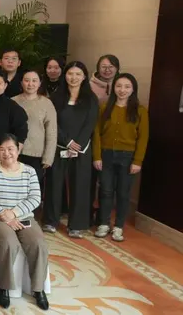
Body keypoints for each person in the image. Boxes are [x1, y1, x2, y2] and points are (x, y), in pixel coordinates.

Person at [0, 134, 49, 311]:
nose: (6, 153)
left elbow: (35, 197)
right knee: (9, 242)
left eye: (10, 149)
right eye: (2, 149)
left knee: (38, 243)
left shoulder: (29, 171)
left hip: (23, 217)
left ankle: (38, 289)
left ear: (18, 150)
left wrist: (14, 213)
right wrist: (4, 216)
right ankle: (3, 287)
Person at [43, 61, 99, 238]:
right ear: (64, 75)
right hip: (59, 146)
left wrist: (78, 144)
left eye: (78, 74)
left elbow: (90, 124)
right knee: (54, 184)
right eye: (70, 74)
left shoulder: (91, 99)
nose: (73, 78)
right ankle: (50, 220)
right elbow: (52, 122)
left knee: (80, 185)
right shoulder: (56, 97)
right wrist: (67, 142)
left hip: (82, 149)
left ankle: (77, 224)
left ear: (84, 77)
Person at [92, 73, 149, 242]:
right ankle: (103, 223)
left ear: (133, 89)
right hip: (106, 155)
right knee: (105, 190)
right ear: (113, 88)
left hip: (128, 157)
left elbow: (143, 138)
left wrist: (138, 161)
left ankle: (118, 226)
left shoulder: (140, 111)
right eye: (119, 86)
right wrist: (97, 156)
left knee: (123, 193)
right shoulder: (104, 108)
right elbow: (97, 133)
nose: (122, 90)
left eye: (127, 87)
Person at [13, 70, 58, 199]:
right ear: (21, 82)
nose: (30, 84)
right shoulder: (13, 101)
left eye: (34, 81)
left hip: (37, 155)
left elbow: (52, 131)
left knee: (32, 191)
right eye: (27, 80)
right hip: (15, 153)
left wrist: (48, 157)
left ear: (39, 83)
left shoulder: (46, 103)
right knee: (14, 189)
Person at [0, 70, 28, 162]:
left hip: (3, 156)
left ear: (5, 85)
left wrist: (13, 154)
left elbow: (21, 132)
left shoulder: (12, 106)